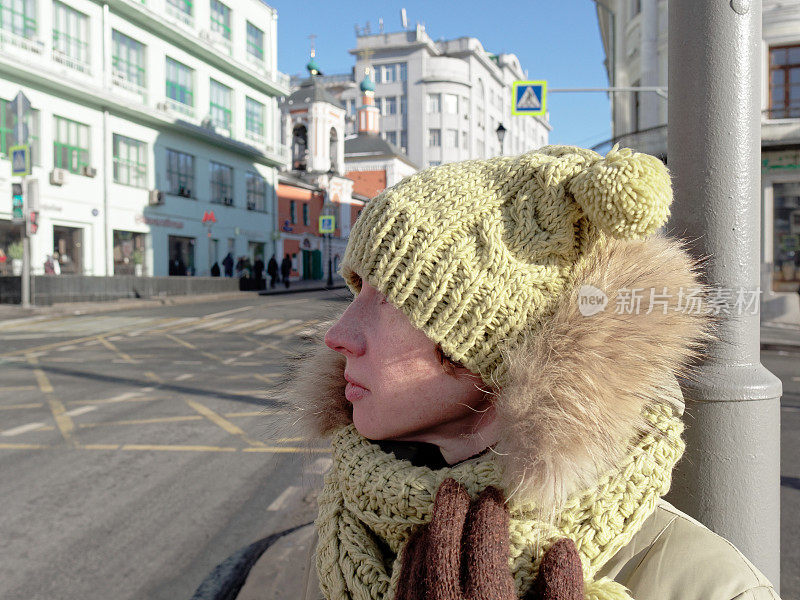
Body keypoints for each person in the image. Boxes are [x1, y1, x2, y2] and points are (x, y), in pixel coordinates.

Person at [231, 147, 780, 599]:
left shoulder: (714, 586)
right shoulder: (338, 533)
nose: (337, 335)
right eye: (357, 290)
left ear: (497, 346)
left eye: (391, 299)